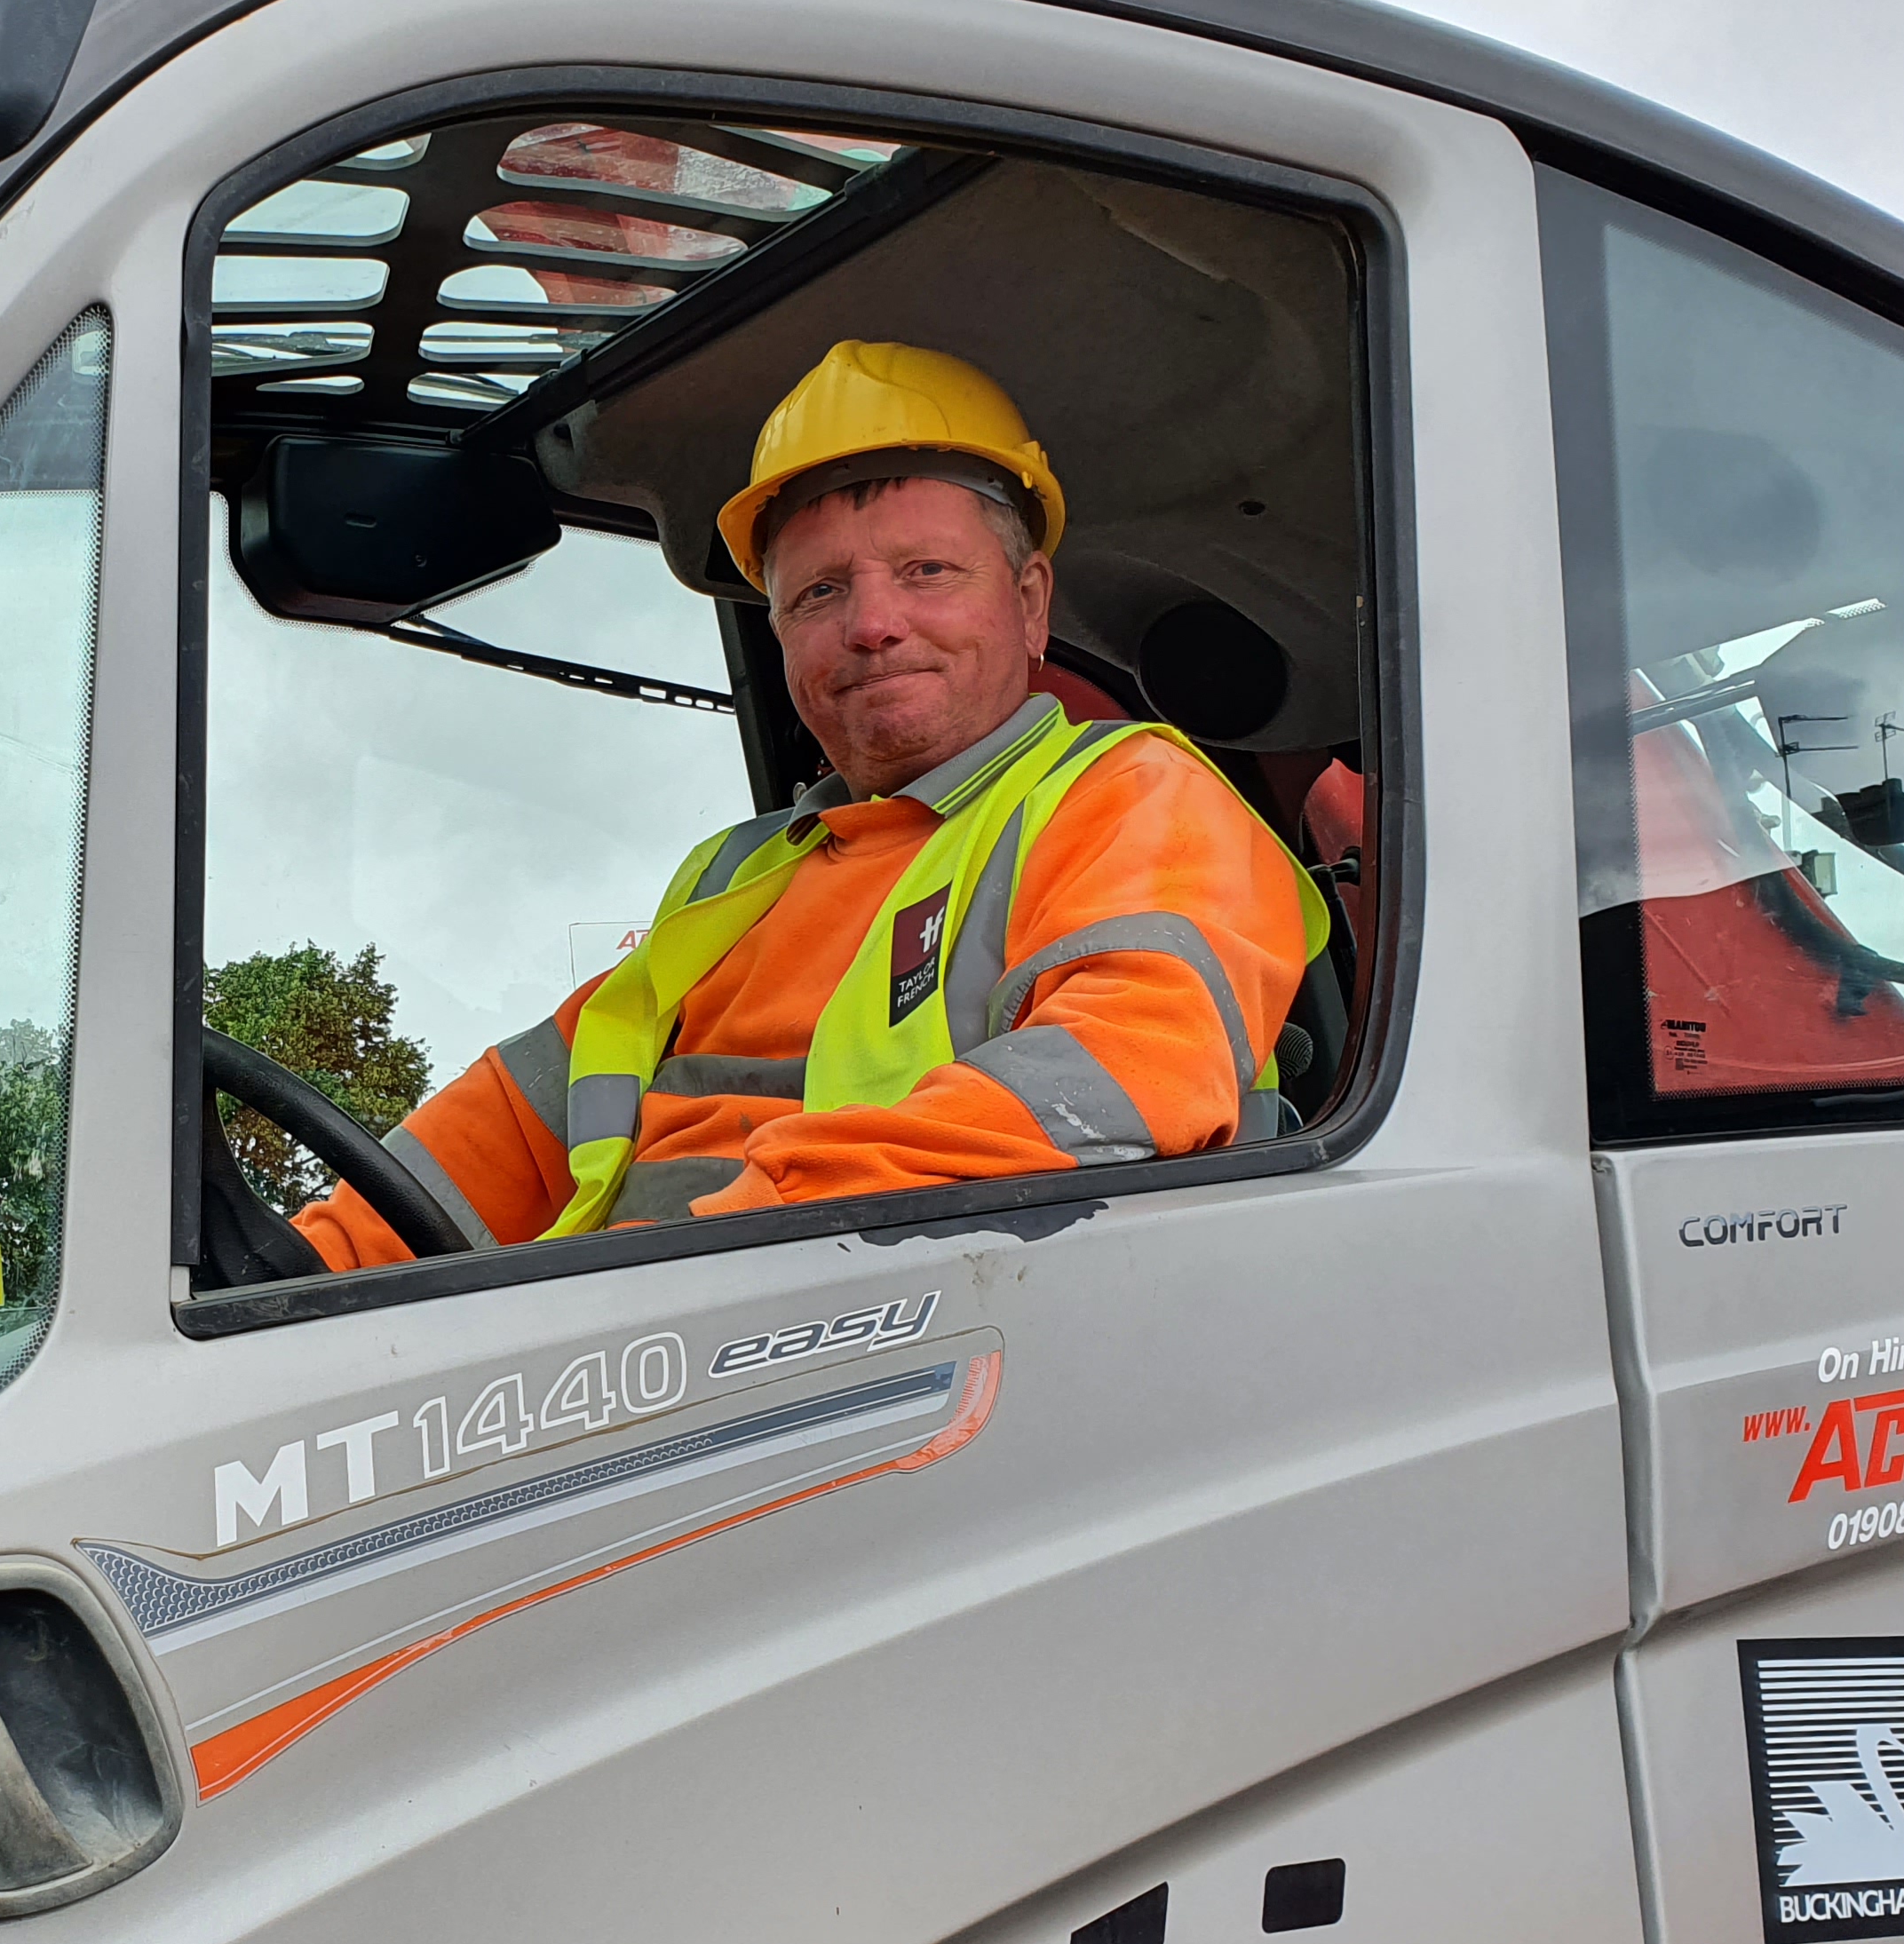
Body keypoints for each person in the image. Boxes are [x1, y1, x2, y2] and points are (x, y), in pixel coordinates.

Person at [295, 341, 1329, 1270]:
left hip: (936, 1355)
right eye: (821, 593)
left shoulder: (1132, 796)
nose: (874, 624)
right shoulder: (734, 878)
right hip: (669, 1346)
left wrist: (705, 1260)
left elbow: (1115, 1084)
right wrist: (292, 1276)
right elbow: (505, 1136)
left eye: (926, 572)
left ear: (1028, 603)